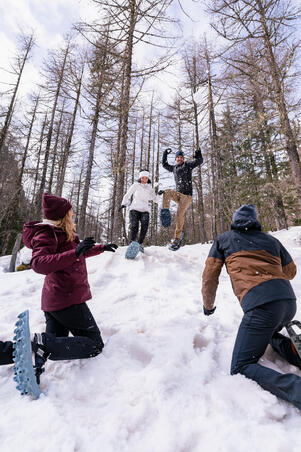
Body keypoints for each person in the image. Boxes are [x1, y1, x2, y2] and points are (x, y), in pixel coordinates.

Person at [201, 204, 301, 410]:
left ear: (235, 220)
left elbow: (210, 276)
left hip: (261, 305)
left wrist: (208, 305)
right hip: (287, 301)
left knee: (241, 366)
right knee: (270, 333)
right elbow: (290, 271)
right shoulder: (271, 240)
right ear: (256, 221)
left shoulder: (224, 239)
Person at [21, 193, 118, 381]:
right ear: (62, 215)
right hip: (67, 301)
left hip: (55, 302)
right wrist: (75, 252)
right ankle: (38, 345)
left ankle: (35, 358)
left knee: (51, 345)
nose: (73, 213)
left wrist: (101, 248)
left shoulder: (62, 233)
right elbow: (39, 263)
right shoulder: (47, 233)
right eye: (70, 211)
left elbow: (76, 253)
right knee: (94, 345)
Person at [160, 148, 203, 249]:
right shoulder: (174, 168)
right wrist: (164, 154)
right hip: (179, 195)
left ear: (183, 158)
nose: (179, 159)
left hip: (187, 196)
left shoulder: (187, 165)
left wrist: (198, 154)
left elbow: (199, 161)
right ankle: (165, 211)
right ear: (175, 159)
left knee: (179, 215)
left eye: (181, 157)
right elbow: (164, 165)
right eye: (178, 157)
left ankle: (177, 239)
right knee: (167, 192)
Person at [120, 170, 161, 252]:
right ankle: (132, 244)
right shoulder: (135, 185)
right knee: (134, 225)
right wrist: (123, 203)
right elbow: (128, 194)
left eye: (146, 178)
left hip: (145, 210)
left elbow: (155, 200)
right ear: (140, 178)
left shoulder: (150, 188)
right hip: (134, 208)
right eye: (142, 178)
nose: (144, 179)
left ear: (147, 178)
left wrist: (159, 194)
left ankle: (140, 244)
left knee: (144, 226)